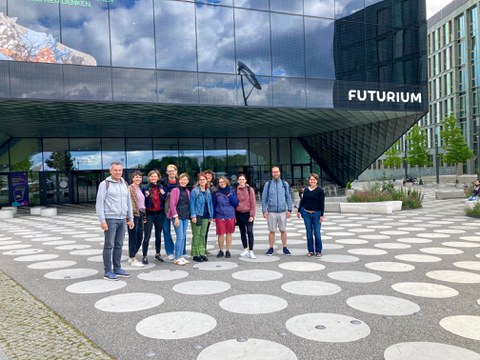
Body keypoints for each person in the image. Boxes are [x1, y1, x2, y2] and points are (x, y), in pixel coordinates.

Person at [95, 162, 134, 281]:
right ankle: (108, 271)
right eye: (115, 170)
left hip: (122, 219)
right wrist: (102, 220)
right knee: (109, 245)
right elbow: (99, 203)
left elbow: (129, 202)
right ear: (110, 171)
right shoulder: (105, 184)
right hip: (110, 219)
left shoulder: (125, 184)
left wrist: (130, 218)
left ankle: (117, 268)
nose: (118, 172)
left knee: (119, 245)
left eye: (119, 170)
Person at [262, 166, 293, 256]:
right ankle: (271, 248)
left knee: (283, 230)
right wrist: (264, 210)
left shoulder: (284, 184)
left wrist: (290, 210)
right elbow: (264, 198)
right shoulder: (268, 185)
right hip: (271, 212)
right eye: (274, 172)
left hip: (282, 211)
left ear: (279, 172)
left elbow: (288, 197)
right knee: (272, 231)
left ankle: (285, 248)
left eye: (277, 172)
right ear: (272, 173)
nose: (276, 173)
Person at [297, 173, 325, 257]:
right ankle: (310, 251)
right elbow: (303, 201)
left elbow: (322, 203)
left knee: (317, 233)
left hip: (316, 214)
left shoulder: (320, 190)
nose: (312, 181)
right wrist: (298, 211)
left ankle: (318, 251)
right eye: (311, 179)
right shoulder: (306, 190)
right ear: (309, 180)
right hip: (306, 214)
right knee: (309, 233)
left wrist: (321, 215)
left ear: (317, 181)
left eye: (314, 179)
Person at [142, 170, 166, 264]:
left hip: (159, 213)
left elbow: (164, 200)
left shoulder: (161, 187)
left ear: (158, 177)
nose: (153, 178)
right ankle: (144, 256)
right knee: (147, 236)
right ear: (149, 178)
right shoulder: (145, 188)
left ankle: (158, 254)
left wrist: (163, 194)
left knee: (158, 235)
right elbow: (142, 201)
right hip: (149, 214)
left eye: (155, 176)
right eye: (151, 176)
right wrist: (146, 196)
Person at [167, 173, 191, 266]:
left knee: (183, 237)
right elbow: (172, 205)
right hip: (177, 216)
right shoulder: (175, 190)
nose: (183, 181)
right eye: (181, 179)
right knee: (180, 237)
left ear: (187, 181)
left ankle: (181, 256)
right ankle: (177, 258)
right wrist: (175, 217)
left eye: (185, 179)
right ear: (179, 180)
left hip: (185, 216)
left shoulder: (188, 191)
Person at [190, 172, 214, 262]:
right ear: (198, 181)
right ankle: (195, 254)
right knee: (197, 235)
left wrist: (211, 216)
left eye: (204, 179)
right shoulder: (195, 191)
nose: (202, 181)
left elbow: (210, 204)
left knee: (203, 235)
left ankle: (202, 252)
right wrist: (193, 216)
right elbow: (192, 204)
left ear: (206, 180)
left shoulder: (208, 191)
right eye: (200, 179)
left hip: (206, 216)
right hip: (197, 215)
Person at [213, 176, 238, 258]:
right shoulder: (216, 192)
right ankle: (221, 250)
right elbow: (214, 204)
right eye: (220, 182)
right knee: (220, 234)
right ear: (218, 184)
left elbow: (236, 203)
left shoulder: (232, 191)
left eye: (223, 181)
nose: (222, 183)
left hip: (230, 215)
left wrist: (230, 196)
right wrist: (213, 216)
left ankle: (228, 250)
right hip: (220, 215)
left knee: (229, 233)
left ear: (226, 182)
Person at [235, 174, 256, 259]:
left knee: (250, 231)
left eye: (243, 179)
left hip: (248, 213)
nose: (241, 181)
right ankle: (245, 249)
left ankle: (251, 250)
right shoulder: (235, 190)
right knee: (242, 232)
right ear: (237, 181)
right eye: (240, 179)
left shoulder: (250, 189)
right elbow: (234, 203)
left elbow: (253, 203)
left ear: (246, 180)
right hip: (239, 213)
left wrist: (252, 215)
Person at [127, 170, 145, 267]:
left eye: (140, 177)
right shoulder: (130, 188)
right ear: (132, 178)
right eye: (136, 177)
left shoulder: (139, 188)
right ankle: (132, 259)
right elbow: (127, 203)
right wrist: (129, 218)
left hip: (140, 214)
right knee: (133, 237)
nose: (138, 179)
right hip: (133, 215)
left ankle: (132, 255)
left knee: (140, 237)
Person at [162, 164, 179, 261]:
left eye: (173, 170)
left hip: (177, 210)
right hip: (165, 209)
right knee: (166, 231)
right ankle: (170, 251)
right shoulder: (163, 182)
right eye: (169, 171)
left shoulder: (180, 181)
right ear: (167, 172)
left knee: (179, 232)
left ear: (176, 171)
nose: (171, 172)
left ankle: (181, 251)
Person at [203, 169, 216, 254]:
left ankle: (204, 247)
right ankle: (200, 248)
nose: (208, 177)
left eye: (210, 176)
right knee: (201, 232)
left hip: (209, 212)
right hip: (201, 212)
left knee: (206, 231)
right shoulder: (199, 185)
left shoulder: (213, 187)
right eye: (207, 175)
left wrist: (212, 215)